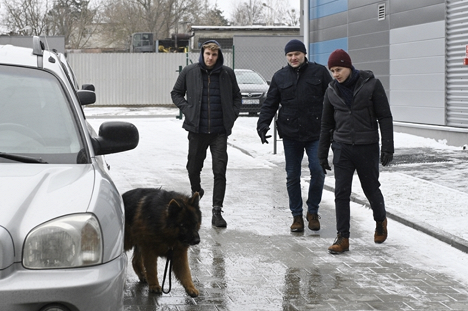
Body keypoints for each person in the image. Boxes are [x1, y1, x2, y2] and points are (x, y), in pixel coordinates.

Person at [317, 49, 394, 254]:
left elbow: (385, 117)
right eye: (332, 70)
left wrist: (387, 146)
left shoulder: (371, 85)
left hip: (366, 146)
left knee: (371, 188)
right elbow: (326, 124)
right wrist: (322, 153)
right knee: (341, 193)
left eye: (339, 69)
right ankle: (343, 237)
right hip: (342, 148)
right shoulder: (331, 90)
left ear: (349, 66)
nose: (336, 74)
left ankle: (380, 220)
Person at [257, 39, 332, 232]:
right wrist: (263, 123)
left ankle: (312, 211)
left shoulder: (320, 72)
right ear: (286, 57)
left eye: (297, 54)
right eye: (290, 55)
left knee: (318, 170)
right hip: (291, 134)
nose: (293, 58)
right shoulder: (280, 77)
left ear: (304, 54)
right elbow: (270, 103)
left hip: (316, 133)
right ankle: (297, 216)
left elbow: (333, 99)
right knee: (292, 175)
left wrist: (336, 124)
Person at [171, 40, 242, 228]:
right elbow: (176, 93)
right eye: (207, 54)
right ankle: (196, 190)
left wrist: (232, 115)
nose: (210, 58)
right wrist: (188, 109)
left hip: (219, 132)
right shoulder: (189, 71)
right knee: (193, 167)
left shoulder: (227, 74)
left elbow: (237, 96)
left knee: (220, 170)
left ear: (219, 56)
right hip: (197, 130)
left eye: (214, 55)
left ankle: (217, 211)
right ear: (202, 53)